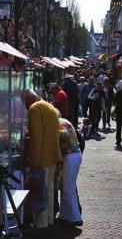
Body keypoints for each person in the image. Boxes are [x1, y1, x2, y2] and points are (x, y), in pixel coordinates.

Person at [22, 89, 61, 229]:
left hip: (42, 158)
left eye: (24, 103)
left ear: (29, 100)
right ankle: (49, 220)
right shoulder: (49, 106)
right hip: (53, 155)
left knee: (40, 191)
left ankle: (41, 223)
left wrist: (35, 161)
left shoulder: (34, 109)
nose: (25, 107)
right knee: (49, 190)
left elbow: (36, 138)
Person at [57, 117, 83, 226]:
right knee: (66, 187)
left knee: (68, 188)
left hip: (70, 155)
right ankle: (64, 215)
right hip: (75, 154)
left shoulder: (58, 124)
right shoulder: (64, 121)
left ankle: (75, 217)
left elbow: (64, 135)